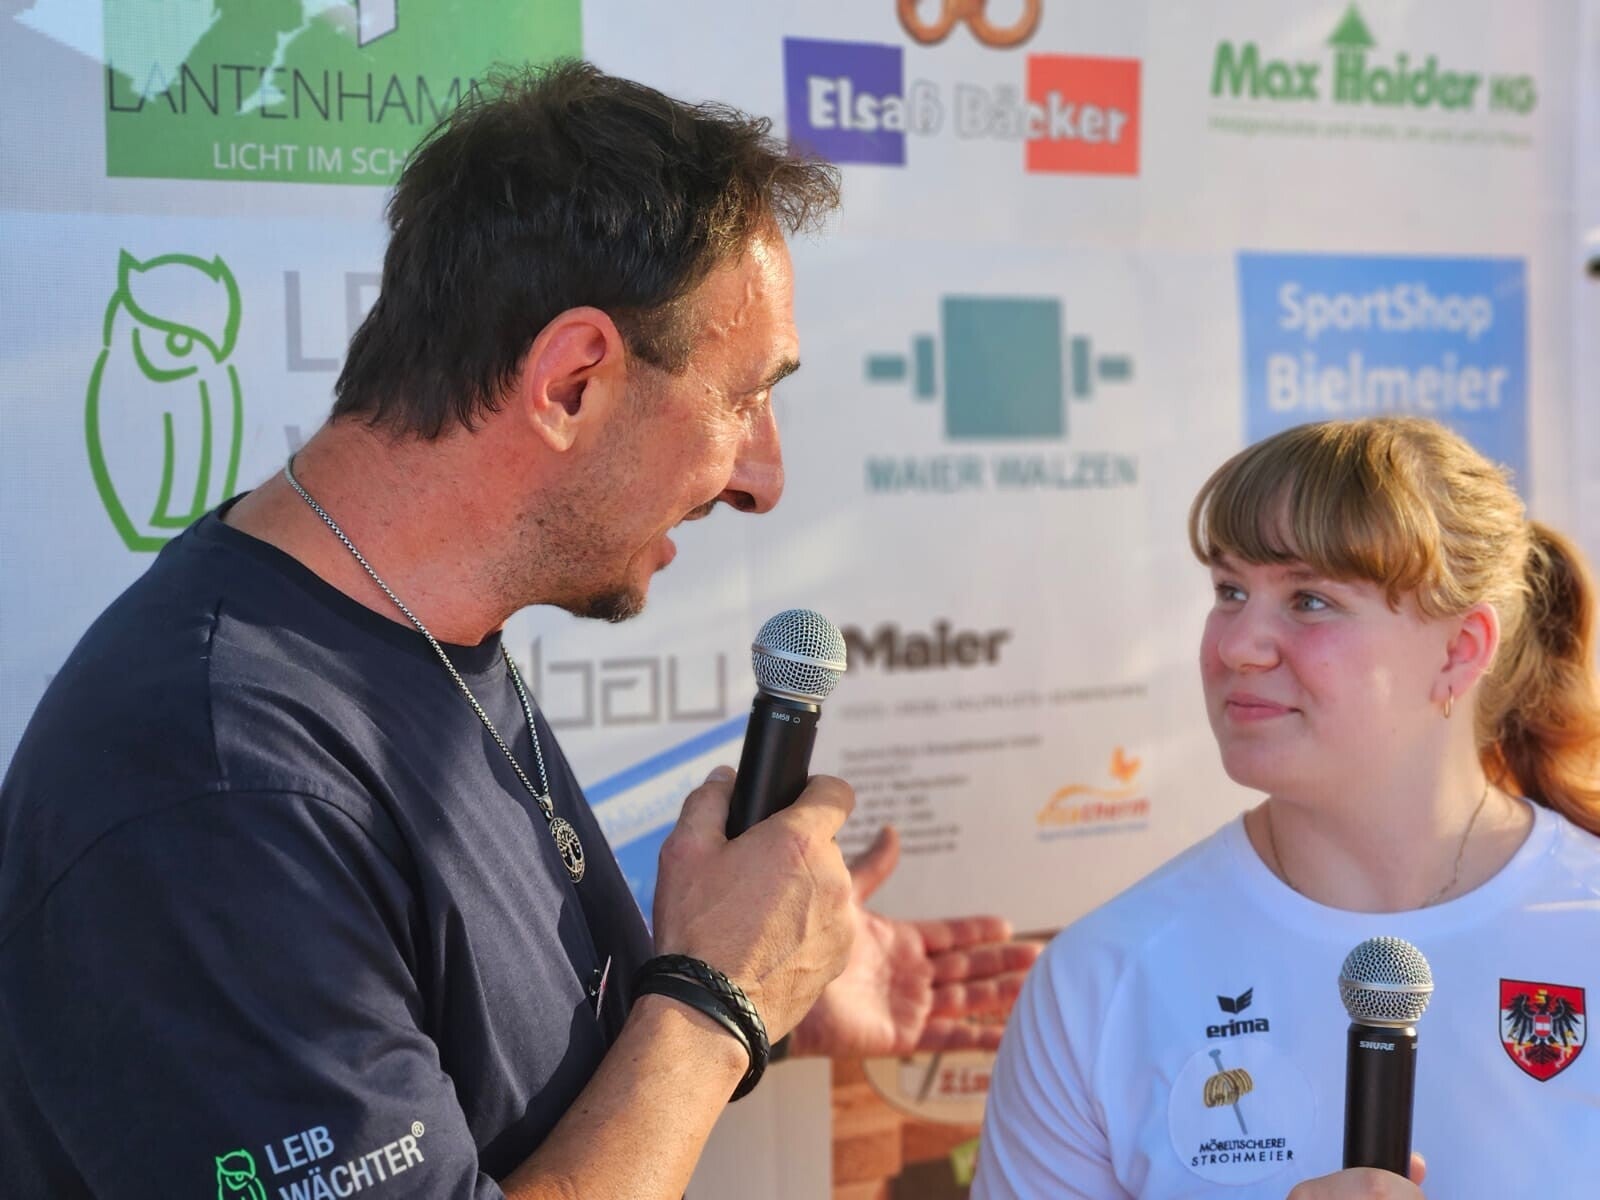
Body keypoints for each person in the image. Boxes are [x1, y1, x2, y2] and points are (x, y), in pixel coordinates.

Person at [0, 62, 1039, 1198]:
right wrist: (715, 1006)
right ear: (572, 381)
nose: (764, 478)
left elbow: (484, 1082)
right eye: (743, 398)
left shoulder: (418, 632)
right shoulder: (215, 788)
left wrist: (755, 996)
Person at [974, 415, 1600, 1198]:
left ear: (1460, 649)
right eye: (1230, 591)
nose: (1238, 645)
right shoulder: (1100, 980)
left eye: (1309, 599)